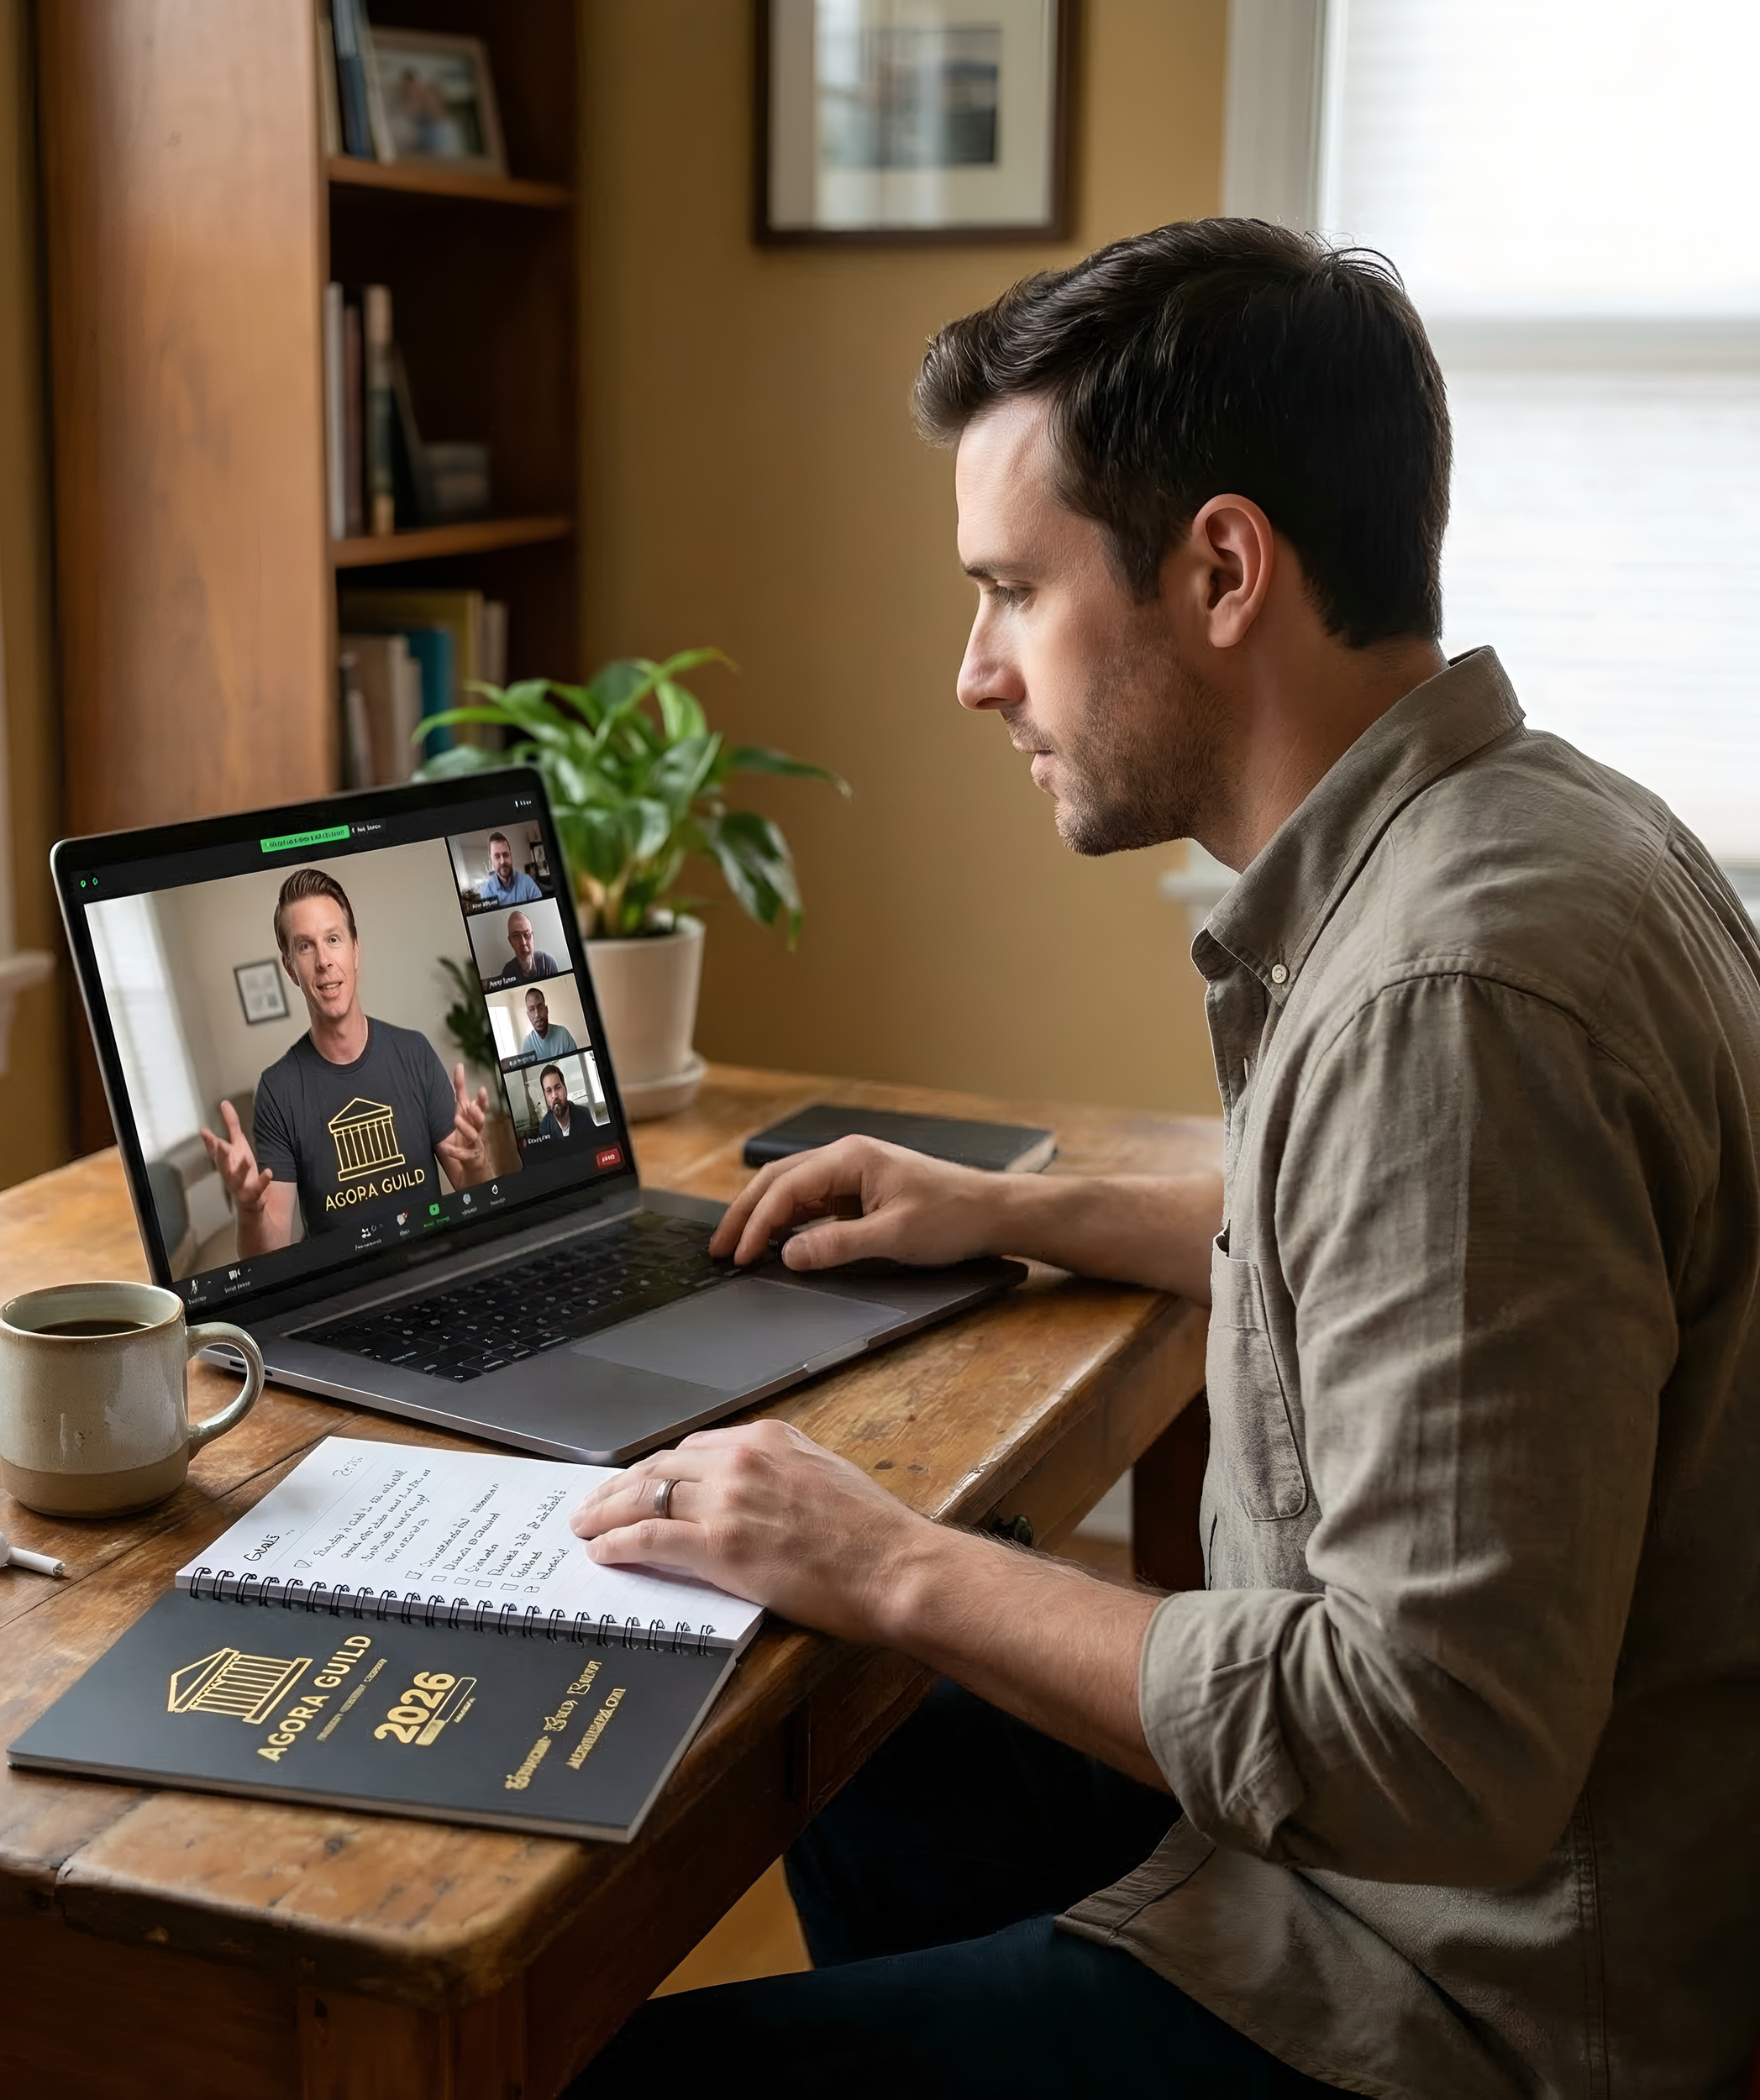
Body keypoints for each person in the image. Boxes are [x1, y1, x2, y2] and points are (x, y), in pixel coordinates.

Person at [565, 221, 1760, 2098]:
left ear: (1217, 568)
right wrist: (1012, 1212)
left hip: (1472, 1996)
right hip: (1469, 1884)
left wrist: (889, 1554)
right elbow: (1413, 1266)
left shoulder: (1447, 992)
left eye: (1010, 591)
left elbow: (1427, 1743)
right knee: (873, 1724)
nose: (972, 673)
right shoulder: (1539, 831)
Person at [201, 866, 491, 1253]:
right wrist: (250, 1210)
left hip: (433, 1267)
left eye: (333, 939)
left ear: (355, 950)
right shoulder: (278, 1090)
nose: (323, 961)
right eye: (305, 946)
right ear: (290, 968)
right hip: (341, 1292)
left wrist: (476, 1162)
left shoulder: (414, 1053)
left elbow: (479, 1199)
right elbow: (269, 1255)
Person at [528, 1063, 597, 1151]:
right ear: (545, 1096)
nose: (554, 1095)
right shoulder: (545, 1127)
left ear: (565, 1089)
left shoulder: (584, 1115)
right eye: (549, 1091)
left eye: (558, 1088)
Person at [487, 909, 559, 986]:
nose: (523, 942)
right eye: (516, 936)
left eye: (527, 934)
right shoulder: (508, 970)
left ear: (532, 937)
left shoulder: (548, 963)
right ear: (510, 941)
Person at [475, 831, 543, 906]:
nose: (503, 861)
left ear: (511, 856)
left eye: (506, 855)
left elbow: (541, 909)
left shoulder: (527, 882)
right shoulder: (486, 890)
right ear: (491, 861)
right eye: (497, 856)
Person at [517, 986, 577, 1061]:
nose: (537, 1014)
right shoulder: (527, 1044)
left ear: (546, 1010)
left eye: (540, 1007)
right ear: (528, 1015)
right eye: (532, 1009)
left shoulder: (563, 1034)